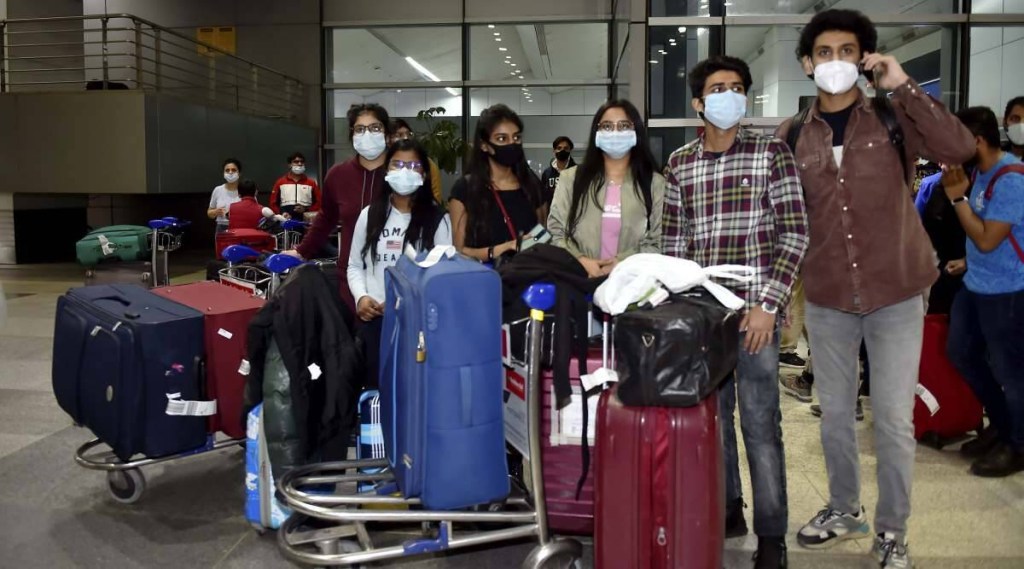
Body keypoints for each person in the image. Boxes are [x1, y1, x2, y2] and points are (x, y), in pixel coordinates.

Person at [777, 9, 975, 566]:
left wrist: (902, 83)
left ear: (863, 59)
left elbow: (959, 147)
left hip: (896, 290)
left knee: (891, 418)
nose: (834, 62)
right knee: (835, 416)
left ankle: (892, 531)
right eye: (824, 52)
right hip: (828, 295)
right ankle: (845, 508)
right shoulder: (791, 136)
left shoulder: (892, 116)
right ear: (807, 63)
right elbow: (782, 216)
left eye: (847, 51)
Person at [663, 55, 809, 569]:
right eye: (717, 88)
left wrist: (769, 304)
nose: (729, 95)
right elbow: (674, 244)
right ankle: (729, 508)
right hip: (705, 315)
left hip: (756, 314)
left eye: (737, 87)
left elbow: (795, 233)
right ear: (698, 103)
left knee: (761, 424)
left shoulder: (772, 154)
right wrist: (683, 313)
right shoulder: (680, 163)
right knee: (713, 419)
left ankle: (772, 535)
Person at [943, 106, 1024, 478]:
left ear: (976, 141)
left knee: (1011, 370)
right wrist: (966, 260)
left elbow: (989, 239)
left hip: (1007, 290)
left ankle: (1018, 444)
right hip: (977, 282)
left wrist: (958, 199)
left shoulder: (1011, 179)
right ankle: (1003, 425)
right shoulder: (978, 172)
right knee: (960, 352)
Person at [348, 138, 451, 390]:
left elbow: (444, 277)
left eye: (413, 165)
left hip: (417, 324)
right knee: (375, 390)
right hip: (375, 322)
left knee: (412, 391)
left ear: (424, 175)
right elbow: (354, 266)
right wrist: (361, 298)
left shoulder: (438, 219)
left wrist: (407, 303)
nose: (405, 171)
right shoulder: (369, 215)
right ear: (386, 171)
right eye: (398, 164)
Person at [285, 104, 392, 314]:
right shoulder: (338, 175)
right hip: (351, 274)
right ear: (352, 135)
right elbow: (326, 218)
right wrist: (302, 251)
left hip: (393, 274)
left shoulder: (400, 176)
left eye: (375, 128)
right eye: (360, 129)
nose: (367, 134)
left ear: (387, 135)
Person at [547, 100, 664, 277]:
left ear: (636, 132)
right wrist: (581, 261)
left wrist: (621, 263)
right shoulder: (571, 179)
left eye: (624, 126)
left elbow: (659, 240)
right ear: (597, 133)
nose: (615, 132)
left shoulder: (654, 183)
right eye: (607, 126)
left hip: (633, 281)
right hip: (579, 278)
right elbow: (555, 232)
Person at [448, 104, 545, 263]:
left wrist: (528, 245)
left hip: (527, 273)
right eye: (501, 139)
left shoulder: (532, 185)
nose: (511, 144)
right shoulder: (465, 189)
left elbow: (543, 234)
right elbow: (459, 250)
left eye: (516, 138)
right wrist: (501, 249)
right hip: (484, 275)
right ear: (484, 145)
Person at [391, 119, 444, 205]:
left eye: (409, 134)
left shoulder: (427, 163)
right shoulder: (381, 162)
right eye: (400, 135)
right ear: (388, 139)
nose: (406, 138)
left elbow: (435, 196)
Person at [269, 152, 322, 221]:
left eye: (302, 162)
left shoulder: (311, 183)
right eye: (296, 162)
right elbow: (273, 203)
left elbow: (319, 202)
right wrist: (281, 213)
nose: (300, 164)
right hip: (285, 220)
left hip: (306, 220)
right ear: (289, 165)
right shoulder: (280, 182)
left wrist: (307, 210)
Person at [207, 158, 242, 234]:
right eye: (227, 170)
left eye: (233, 170)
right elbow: (209, 213)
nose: (230, 172)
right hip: (222, 227)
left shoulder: (246, 190)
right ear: (223, 174)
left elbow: (254, 210)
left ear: (239, 173)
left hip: (241, 227)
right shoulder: (218, 190)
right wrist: (215, 212)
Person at [541, 136, 577, 207]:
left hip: (571, 211)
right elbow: (543, 197)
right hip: (552, 211)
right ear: (554, 150)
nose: (562, 151)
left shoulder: (577, 171)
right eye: (559, 148)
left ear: (570, 150)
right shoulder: (547, 173)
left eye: (566, 148)